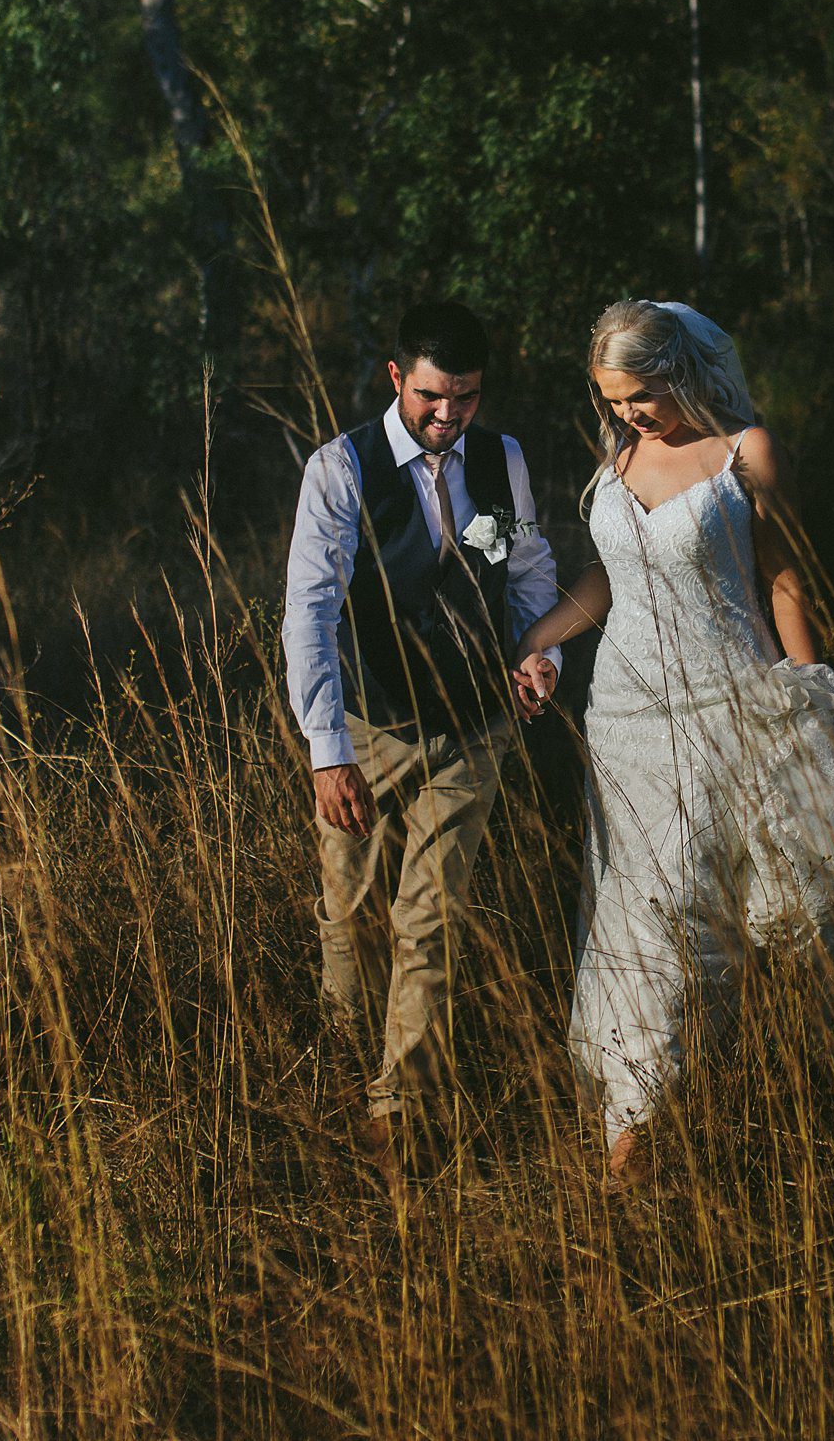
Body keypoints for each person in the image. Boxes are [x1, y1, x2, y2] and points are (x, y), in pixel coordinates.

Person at [509, 298, 834, 1181]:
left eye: (641, 394)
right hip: (624, 724)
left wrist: (809, 707)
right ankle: (634, 1133)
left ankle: (832, 1102)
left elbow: (784, 580)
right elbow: (612, 578)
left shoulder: (747, 453)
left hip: (726, 712)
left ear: (681, 370)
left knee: (723, 915)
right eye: (613, 400)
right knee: (639, 920)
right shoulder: (619, 455)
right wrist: (539, 642)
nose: (629, 415)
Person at [282, 299, 562, 1180]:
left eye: (467, 399)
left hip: (475, 725)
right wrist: (327, 749)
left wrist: (537, 654)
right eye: (434, 397)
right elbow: (310, 612)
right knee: (351, 912)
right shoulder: (341, 469)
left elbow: (524, 569)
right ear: (396, 378)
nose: (449, 417)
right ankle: (339, 1066)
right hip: (370, 727)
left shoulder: (500, 458)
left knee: (430, 916)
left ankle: (399, 1108)